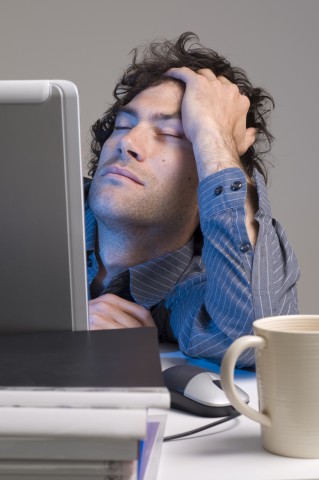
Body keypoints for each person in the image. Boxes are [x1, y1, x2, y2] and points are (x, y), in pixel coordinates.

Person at [85, 32, 299, 367]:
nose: (128, 143)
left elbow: (258, 340)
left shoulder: (194, 289)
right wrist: (53, 328)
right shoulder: (28, 214)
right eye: (123, 126)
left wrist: (215, 140)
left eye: (169, 134)